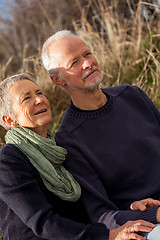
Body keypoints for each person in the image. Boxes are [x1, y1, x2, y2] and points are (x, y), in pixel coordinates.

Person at [0, 73, 153, 240]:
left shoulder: (59, 151)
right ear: (9, 119)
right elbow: (43, 223)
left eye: (39, 93)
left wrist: (128, 207)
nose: (39, 100)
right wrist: (110, 235)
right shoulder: (9, 161)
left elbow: (89, 206)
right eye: (26, 98)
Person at [41, 30, 160, 239]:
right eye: (74, 63)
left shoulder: (132, 94)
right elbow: (101, 214)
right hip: (149, 224)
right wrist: (156, 214)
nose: (87, 63)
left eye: (87, 54)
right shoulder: (69, 140)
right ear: (57, 80)